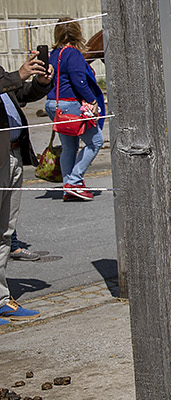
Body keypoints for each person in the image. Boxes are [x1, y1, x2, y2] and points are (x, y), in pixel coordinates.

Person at [2, 49, 53, 323]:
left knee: (5, 233)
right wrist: (18, 75)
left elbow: (20, 96)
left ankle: (1, 300)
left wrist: (40, 82)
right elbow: (9, 82)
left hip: (11, 155)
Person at [45, 19, 105, 202]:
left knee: (69, 146)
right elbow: (79, 81)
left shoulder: (54, 54)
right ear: (77, 33)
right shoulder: (73, 54)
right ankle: (74, 181)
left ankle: (68, 187)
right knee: (95, 141)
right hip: (70, 104)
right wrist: (92, 100)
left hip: (53, 104)